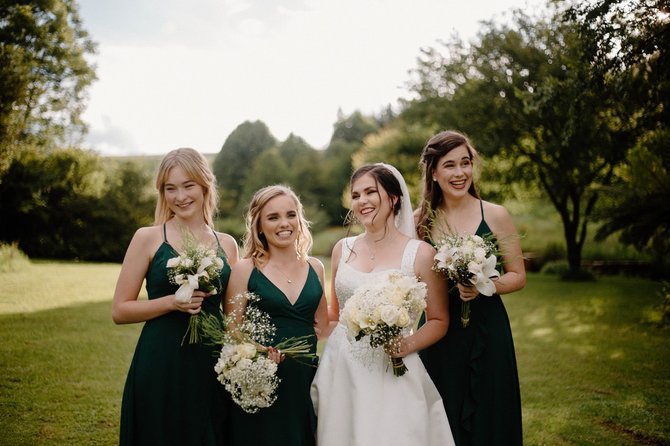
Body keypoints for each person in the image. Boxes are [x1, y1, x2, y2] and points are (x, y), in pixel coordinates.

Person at [311, 163, 456, 446]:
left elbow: (439, 320)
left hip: (393, 365)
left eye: (370, 192)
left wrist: (408, 344)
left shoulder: (422, 254)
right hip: (342, 367)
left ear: (393, 198)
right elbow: (335, 315)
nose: (362, 201)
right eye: (355, 195)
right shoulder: (343, 248)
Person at [112, 147, 238, 445]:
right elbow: (120, 310)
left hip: (210, 361)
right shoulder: (148, 238)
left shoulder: (228, 245)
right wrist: (171, 302)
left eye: (188, 186)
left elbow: (233, 315)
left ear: (205, 185)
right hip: (161, 360)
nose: (180, 196)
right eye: (171, 188)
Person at [416, 130, 526, 446]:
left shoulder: (494, 214)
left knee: (492, 414)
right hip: (440, 335)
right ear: (434, 173)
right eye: (450, 165)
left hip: (488, 333)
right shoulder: (419, 221)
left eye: (466, 163)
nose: (461, 172)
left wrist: (484, 285)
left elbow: (518, 276)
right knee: (442, 415)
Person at [225, 185, 329, 446]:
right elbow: (232, 329)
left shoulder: (315, 267)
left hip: (305, 379)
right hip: (262, 379)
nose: (285, 224)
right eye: (273, 217)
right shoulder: (245, 269)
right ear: (259, 225)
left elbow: (323, 325)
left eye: (291, 215)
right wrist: (257, 352)